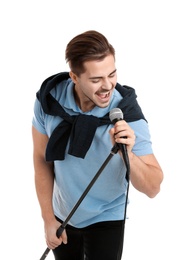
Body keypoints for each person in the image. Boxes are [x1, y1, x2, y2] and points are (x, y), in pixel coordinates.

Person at [32, 30, 163, 260]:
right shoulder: (50, 100)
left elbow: (153, 187)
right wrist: (48, 218)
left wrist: (128, 154)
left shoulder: (127, 115)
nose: (107, 86)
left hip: (107, 216)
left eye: (112, 74)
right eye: (96, 80)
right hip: (63, 213)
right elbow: (42, 159)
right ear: (74, 77)